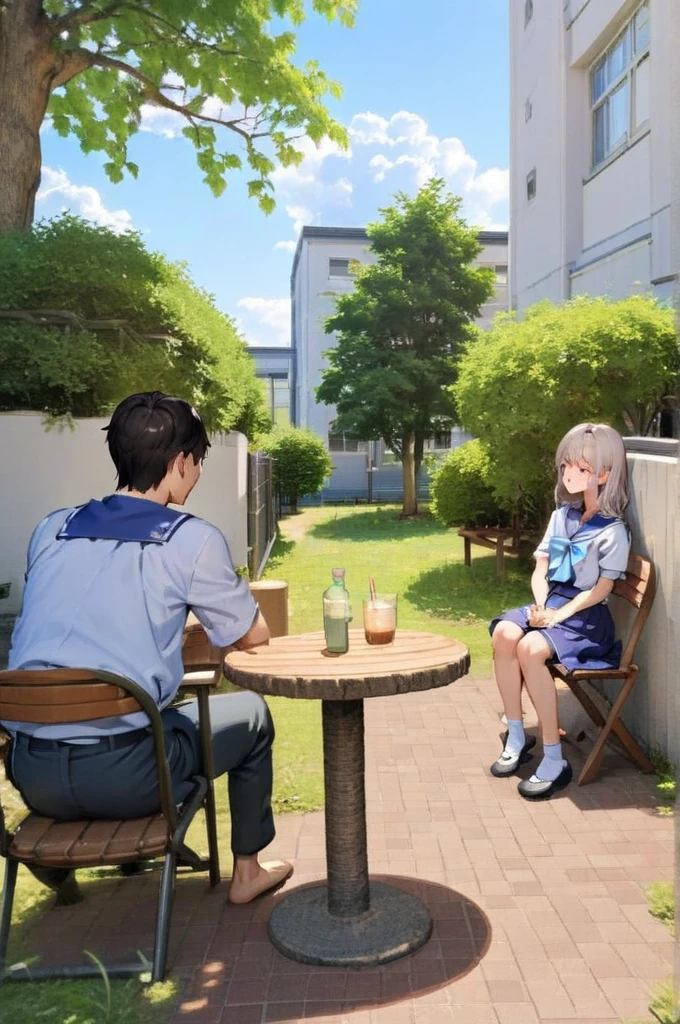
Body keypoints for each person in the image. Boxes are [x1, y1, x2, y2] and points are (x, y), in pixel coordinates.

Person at [3, 391, 292, 904]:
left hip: (33, 773)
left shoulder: (51, 529)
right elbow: (253, 638)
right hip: (129, 778)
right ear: (180, 462)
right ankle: (247, 873)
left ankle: (55, 865)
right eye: (198, 461)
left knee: (140, 713)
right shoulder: (190, 539)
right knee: (251, 715)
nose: (198, 473)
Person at [488, 423, 631, 800]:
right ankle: (518, 735)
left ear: (605, 474)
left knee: (531, 649)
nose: (571, 475)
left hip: (586, 618)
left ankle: (554, 759)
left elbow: (602, 589)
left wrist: (557, 615)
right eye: (567, 465)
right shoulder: (561, 517)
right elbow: (541, 569)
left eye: (582, 469)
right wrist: (540, 606)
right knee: (505, 633)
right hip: (552, 606)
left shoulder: (613, 531)